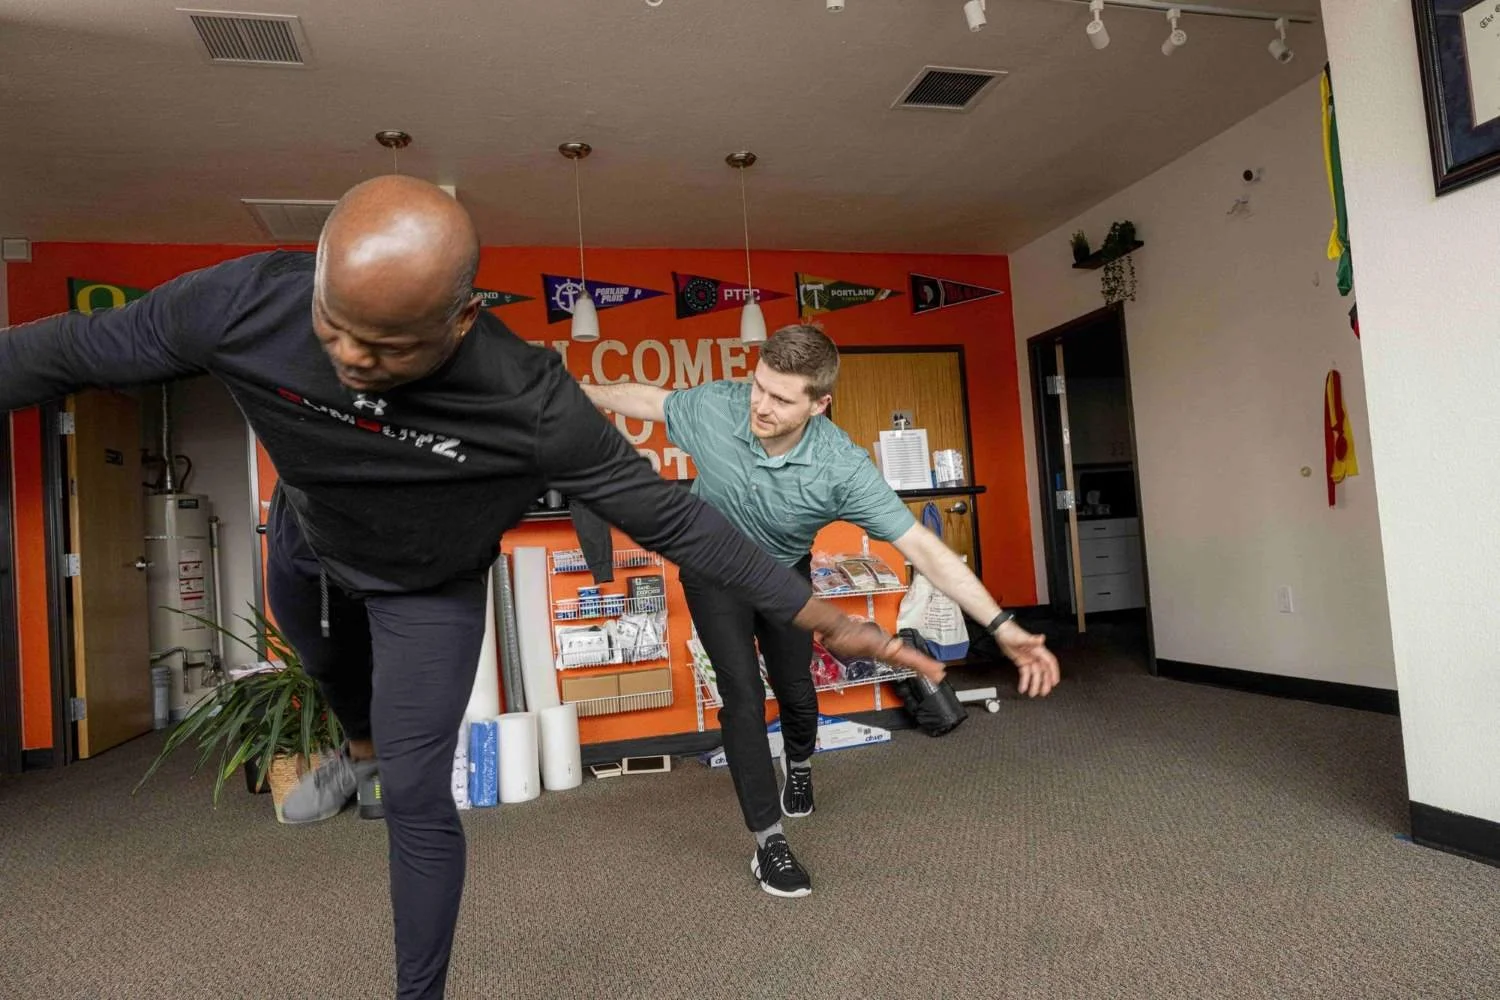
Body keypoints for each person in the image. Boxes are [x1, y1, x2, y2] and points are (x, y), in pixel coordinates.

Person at [0, 177, 944, 999]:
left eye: (385, 347)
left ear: (460, 321)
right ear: (316, 277)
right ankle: (357, 748)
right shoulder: (243, 301)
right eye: (334, 326)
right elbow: (69, 350)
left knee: (417, 795)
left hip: (430, 587)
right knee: (327, 663)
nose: (351, 360)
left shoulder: (529, 397)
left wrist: (822, 616)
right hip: (310, 543)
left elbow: (673, 517)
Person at [583, 324, 1061, 898]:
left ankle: (801, 764)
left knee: (793, 683)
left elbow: (923, 547)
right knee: (740, 696)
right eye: (759, 387)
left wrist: (1002, 624)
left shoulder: (841, 467)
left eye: (782, 399)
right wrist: (578, 391)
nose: (761, 406)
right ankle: (769, 842)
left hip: (785, 577)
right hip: (713, 574)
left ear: (818, 404)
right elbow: (649, 400)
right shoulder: (718, 407)